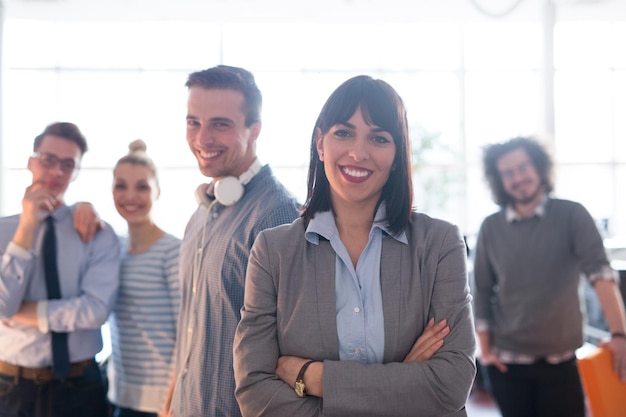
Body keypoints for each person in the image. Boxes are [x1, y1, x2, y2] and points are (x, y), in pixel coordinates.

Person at [233, 75, 477, 417]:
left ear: (396, 154)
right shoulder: (273, 251)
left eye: (378, 138)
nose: (358, 152)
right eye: (343, 133)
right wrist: (404, 379)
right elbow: (256, 392)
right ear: (320, 142)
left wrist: (313, 377)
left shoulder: (439, 244)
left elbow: (450, 384)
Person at [161, 65, 299, 417]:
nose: (202, 138)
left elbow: (295, 351)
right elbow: (190, 333)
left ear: (255, 130)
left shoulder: (278, 215)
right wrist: (170, 406)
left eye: (220, 124)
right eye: (193, 122)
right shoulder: (200, 216)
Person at [472, 136, 626, 417]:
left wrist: (619, 334)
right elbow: (481, 290)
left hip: (563, 362)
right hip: (508, 364)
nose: (518, 177)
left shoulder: (572, 214)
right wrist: (485, 351)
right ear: (498, 180)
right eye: (508, 172)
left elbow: (601, 274)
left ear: (539, 167)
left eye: (523, 167)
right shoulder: (491, 227)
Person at [0, 122, 120, 417]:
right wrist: (27, 226)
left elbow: (94, 311)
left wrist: (27, 313)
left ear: (76, 172)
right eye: (48, 160)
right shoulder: (4, 231)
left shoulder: (96, 231)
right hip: (11, 386)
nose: (56, 172)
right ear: (31, 161)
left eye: (68, 165)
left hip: (80, 386)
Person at [106, 140, 181, 417]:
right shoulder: (113, 247)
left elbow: (187, 335)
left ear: (157, 191)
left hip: (159, 402)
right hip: (119, 394)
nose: (130, 196)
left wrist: (171, 403)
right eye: (121, 185)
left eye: (142, 187)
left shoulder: (173, 251)